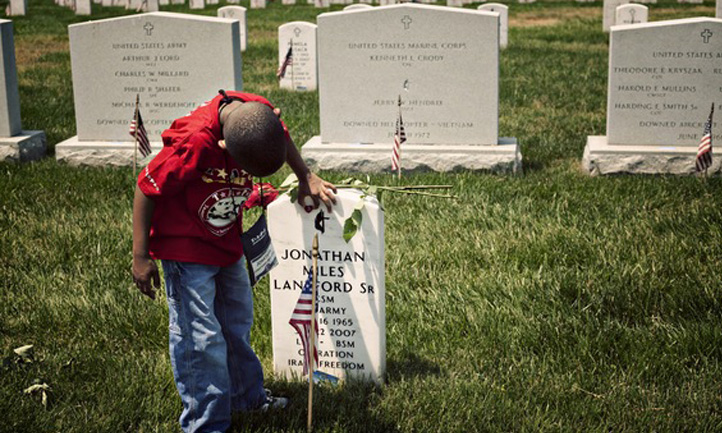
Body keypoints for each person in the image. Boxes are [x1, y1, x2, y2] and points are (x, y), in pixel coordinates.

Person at [131, 90, 336, 433]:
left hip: (225, 242)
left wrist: (305, 175)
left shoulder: (258, 115)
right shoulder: (195, 143)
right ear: (224, 147)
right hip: (186, 250)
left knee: (236, 323)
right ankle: (206, 422)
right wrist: (140, 256)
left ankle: (247, 397)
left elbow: (280, 134)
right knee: (201, 338)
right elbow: (145, 187)